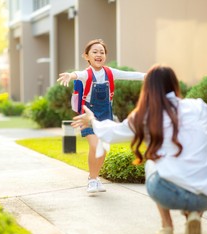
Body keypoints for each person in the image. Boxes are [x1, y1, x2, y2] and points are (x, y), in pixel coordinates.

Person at [71, 65, 207, 234]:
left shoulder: (146, 114)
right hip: (206, 198)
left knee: (152, 161)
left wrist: (92, 120)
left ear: (148, 87)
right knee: (192, 173)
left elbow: (112, 132)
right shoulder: (198, 107)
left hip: (167, 193)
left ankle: (167, 227)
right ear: (174, 84)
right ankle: (194, 217)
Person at [57, 39, 145, 194]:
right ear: (86, 56)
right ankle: (91, 180)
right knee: (95, 145)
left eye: (102, 52)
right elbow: (76, 74)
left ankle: (95, 178)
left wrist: (151, 75)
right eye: (95, 52)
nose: (99, 55)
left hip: (105, 114)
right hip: (87, 114)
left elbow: (131, 75)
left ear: (105, 56)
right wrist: (70, 76)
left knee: (103, 148)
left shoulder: (111, 73)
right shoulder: (86, 74)